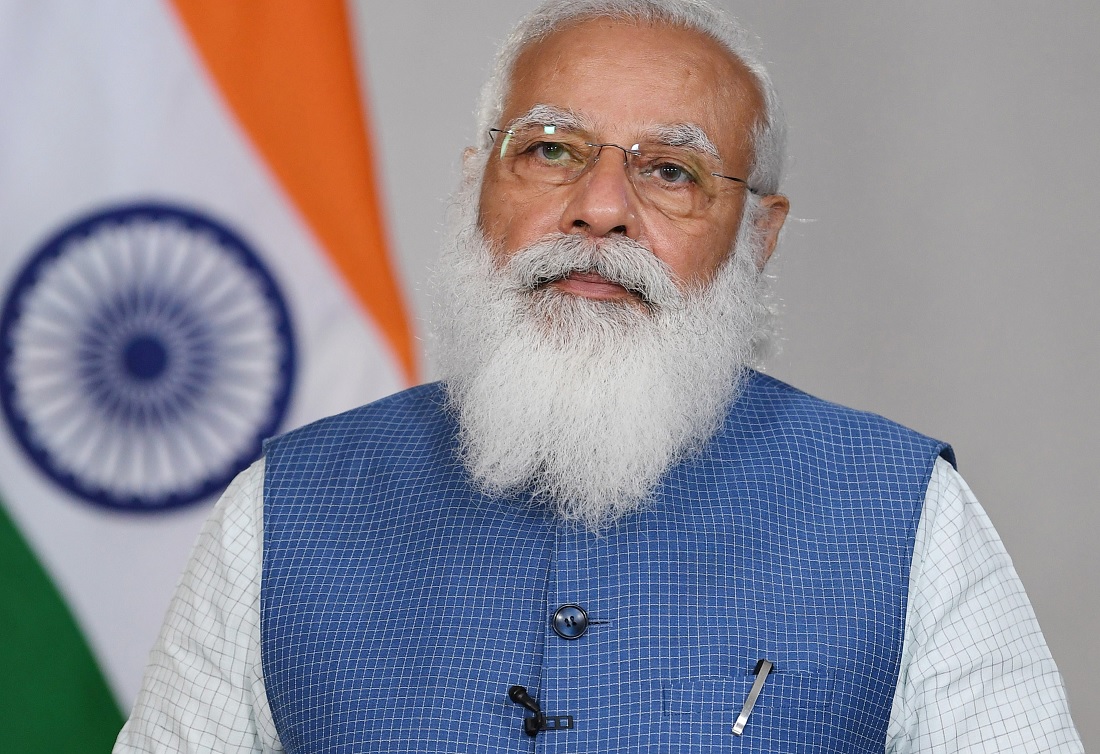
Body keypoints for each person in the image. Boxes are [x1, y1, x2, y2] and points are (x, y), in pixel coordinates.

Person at [115, 0, 1084, 751]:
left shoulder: (903, 511)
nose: (600, 207)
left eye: (670, 171)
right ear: (476, 188)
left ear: (758, 235)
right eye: (548, 150)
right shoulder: (283, 507)